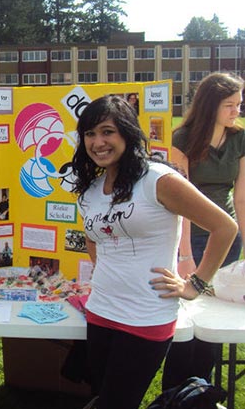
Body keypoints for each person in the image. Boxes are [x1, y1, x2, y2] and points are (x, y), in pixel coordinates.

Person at [72, 95, 237, 409]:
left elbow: (224, 227)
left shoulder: (157, 179)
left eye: (107, 131)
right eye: (90, 134)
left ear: (127, 133)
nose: (98, 142)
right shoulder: (91, 191)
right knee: (102, 395)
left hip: (145, 316)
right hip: (101, 310)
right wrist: (106, 271)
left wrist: (195, 285)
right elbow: (93, 237)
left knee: (116, 403)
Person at [162, 72, 245, 390]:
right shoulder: (181, 139)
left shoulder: (239, 139)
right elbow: (177, 201)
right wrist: (184, 254)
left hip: (226, 241)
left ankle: (202, 389)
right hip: (191, 236)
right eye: (230, 104)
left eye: (239, 103)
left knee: (215, 317)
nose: (237, 110)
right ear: (211, 105)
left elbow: (241, 197)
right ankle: (175, 389)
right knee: (186, 317)